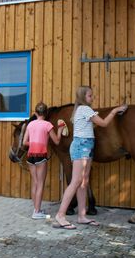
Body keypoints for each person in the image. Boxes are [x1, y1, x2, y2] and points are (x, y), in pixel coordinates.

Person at [54, 86, 126, 229]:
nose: (92, 98)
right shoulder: (85, 109)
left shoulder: (80, 110)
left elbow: (90, 127)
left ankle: (82, 215)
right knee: (75, 182)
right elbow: (104, 123)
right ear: (82, 98)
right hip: (82, 146)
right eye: (90, 96)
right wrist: (114, 110)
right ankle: (60, 215)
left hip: (87, 145)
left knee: (83, 182)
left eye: (92, 95)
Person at [22, 102, 65, 219]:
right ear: (45, 113)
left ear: (35, 113)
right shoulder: (48, 125)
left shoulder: (30, 125)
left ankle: (36, 208)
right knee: (40, 183)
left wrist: (34, 143)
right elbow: (56, 141)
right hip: (41, 155)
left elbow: (24, 142)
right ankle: (36, 212)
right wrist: (60, 130)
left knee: (35, 182)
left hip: (30, 155)